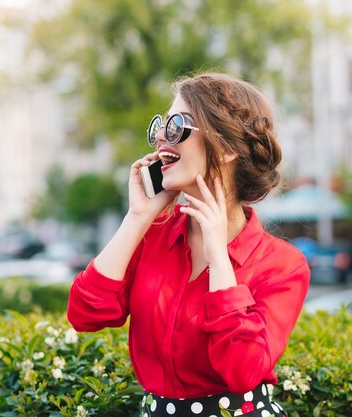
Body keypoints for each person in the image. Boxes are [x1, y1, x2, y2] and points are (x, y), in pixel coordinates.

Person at [67, 72, 310, 417]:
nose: (160, 140)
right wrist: (137, 218)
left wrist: (218, 259)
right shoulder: (152, 235)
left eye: (177, 126)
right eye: (160, 127)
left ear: (225, 147)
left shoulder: (282, 264)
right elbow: (85, 314)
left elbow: (243, 370)